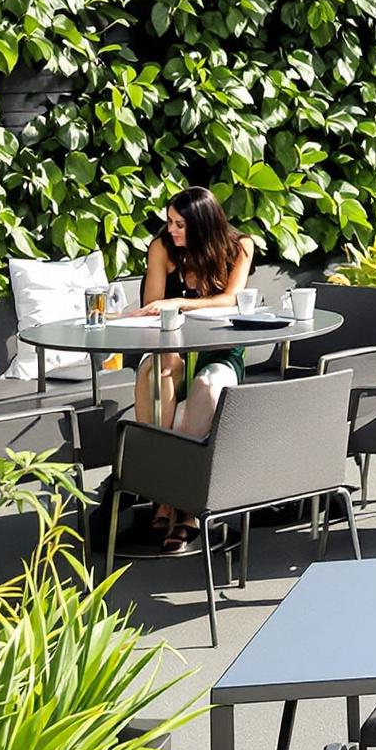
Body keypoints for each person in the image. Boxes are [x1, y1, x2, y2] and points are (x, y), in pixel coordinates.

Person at [131, 186, 255, 552]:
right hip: (171, 348)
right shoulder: (162, 248)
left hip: (220, 351)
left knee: (208, 386)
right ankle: (161, 494)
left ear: (202, 225)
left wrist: (179, 303)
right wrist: (173, 305)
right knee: (155, 373)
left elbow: (231, 298)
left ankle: (185, 502)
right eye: (169, 222)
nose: (171, 230)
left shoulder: (239, 247)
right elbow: (153, 306)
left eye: (180, 224)